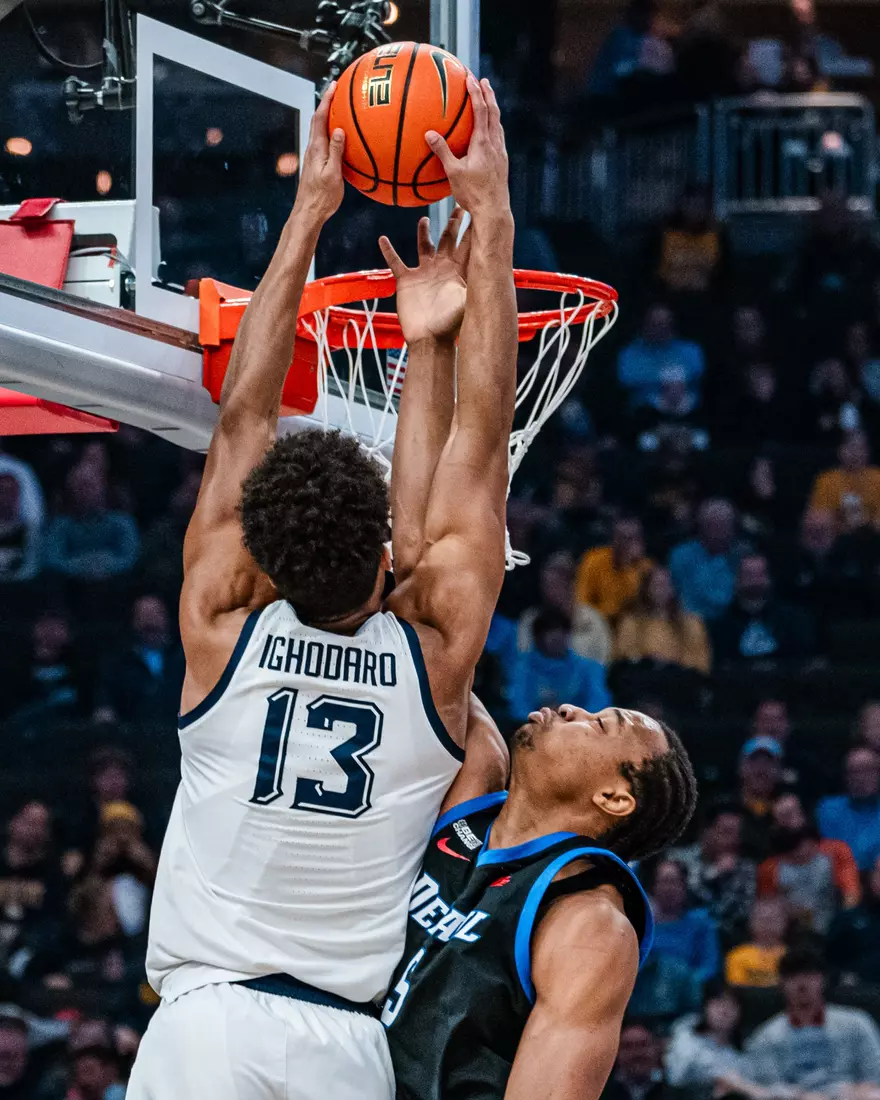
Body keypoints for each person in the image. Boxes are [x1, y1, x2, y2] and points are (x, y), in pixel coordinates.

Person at [128, 80, 516, 1100]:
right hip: (347, 1042)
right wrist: (491, 218)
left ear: (257, 549)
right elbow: (483, 449)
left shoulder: (221, 620)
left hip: (205, 1023)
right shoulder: (433, 652)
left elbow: (242, 418)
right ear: (391, 555)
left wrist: (308, 208)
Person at [383, 706, 698, 1100]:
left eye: (599, 725)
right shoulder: (473, 789)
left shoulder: (590, 922)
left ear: (613, 798)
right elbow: (439, 661)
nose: (570, 710)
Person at [747, 947, 880, 1090]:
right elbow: (769, 1087)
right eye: (793, 976)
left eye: (809, 975)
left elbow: (875, 1074)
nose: (802, 984)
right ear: (781, 984)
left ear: (823, 980)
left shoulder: (857, 1023)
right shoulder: (766, 1037)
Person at [758, 792, 860, 934]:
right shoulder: (769, 869)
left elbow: (851, 894)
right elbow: (768, 909)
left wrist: (844, 923)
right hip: (792, 937)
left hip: (835, 932)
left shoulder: (836, 851)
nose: (790, 822)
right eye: (782, 817)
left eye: (793, 814)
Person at [508, 607, 612, 721]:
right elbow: (518, 707)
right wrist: (543, 719)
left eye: (562, 632)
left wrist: (574, 720)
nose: (557, 638)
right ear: (537, 638)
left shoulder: (589, 668)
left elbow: (599, 703)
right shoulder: (522, 668)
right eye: (550, 634)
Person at [710, 553, 815, 666]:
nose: (755, 582)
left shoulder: (794, 621)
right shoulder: (721, 626)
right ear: (737, 581)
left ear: (769, 579)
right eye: (748, 575)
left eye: (760, 575)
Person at [674, 801, 756, 946]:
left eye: (737, 833)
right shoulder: (680, 860)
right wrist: (714, 874)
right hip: (683, 936)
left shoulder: (745, 868)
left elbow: (742, 912)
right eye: (726, 832)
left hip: (728, 940)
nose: (733, 840)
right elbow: (682, 901)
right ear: (706, 831)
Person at [93, 595, 183, 724]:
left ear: (167, 619)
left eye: (156, 614)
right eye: (143, 615)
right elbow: (105, 705)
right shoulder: (118, 664)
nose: (150, 622)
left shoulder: (186, 658)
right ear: (133, 621)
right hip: (132, 737)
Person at [613, 565, 711, 673]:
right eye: (658, 585)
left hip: (679, 680)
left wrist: (671, 664)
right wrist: (647, 659)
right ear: (646, 589)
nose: (663, 589)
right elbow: (622, 657)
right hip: (643, 678)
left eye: (667, 584)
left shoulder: (692, 623)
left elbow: (701, 663)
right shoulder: (631, 622)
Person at [644, 857, 721, 986]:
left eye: (674, 882)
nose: (668, 889)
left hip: (689, 993)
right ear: (653, 886)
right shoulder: (643, 926)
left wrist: (683, 985)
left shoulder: (701, 923)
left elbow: (709, 967)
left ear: (684, 885)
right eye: (664, 882)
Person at [617, 304, 705, 412]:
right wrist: (665, 380)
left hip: (689, 414)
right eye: (655, 324)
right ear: (645, 325)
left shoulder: (690, 349)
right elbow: (626, 378)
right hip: (646, 415)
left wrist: (675, 384)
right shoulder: (630, 353)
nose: (660, 329)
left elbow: (698, 372)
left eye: (665, 324)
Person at [665, 980, 751, 1090]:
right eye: (719, 1003)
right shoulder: (686, 1036)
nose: (724, 1011)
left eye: (732, 1005)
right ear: (705, 1007)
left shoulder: (741, 1053)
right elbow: (675, 1077)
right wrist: (721, 1078)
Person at [668, 499, 741, 621]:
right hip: (692, 623)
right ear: (702, 527)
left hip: (733, 624)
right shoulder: (680, 555)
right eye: (715, 526)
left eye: (725, 525)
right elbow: (673, 595)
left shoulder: (742, 555)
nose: (721, 532)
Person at [575, 516, 653, 622]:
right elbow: (583, 603)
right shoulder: (594, 559)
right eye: (626, 538)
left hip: (631, 625)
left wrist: (632, 567)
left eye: (636, 538)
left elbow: (645, 605)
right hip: (598, 623)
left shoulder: (645, 566)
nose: (632, 544)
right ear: (614, 540)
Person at [818, 746, 880, 871]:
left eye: (868, 770)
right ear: (846, 776)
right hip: (838, 880)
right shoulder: (828, 808)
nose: (861, 778)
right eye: (854, 771)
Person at [827, 854, 880, 986]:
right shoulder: (847, 918)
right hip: (857, 994)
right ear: (871, 877)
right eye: (878, 872)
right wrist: (840, 976)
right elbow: (827, 959)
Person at [809, 429, 880, 526]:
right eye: (852, 448)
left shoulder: (877, 478)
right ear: (840, 451)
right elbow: (818, 516)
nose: (856, 454)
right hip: (836, 535)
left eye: (861, 449)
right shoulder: (827, 480)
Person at [601, 1021, 688, 1100]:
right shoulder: (599, 1095)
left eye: (643, 1045)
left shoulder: (679, 1095)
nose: (636, 1053)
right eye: (627, 1046)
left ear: (657, 1049)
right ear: (616, 1053)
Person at [735, 737, 783, 861]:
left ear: (779, 770)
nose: (761, 770)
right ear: (741, 768)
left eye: (768, 762)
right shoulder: (726, 808)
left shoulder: (790, 810)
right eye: (754, 761)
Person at [725, 897, 789, 988]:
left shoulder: (792, 955)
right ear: (750, 923)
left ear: (785, 922)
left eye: (773, 919)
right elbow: (737, 989)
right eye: (762, 919)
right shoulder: (737, 956)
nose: (767, 924)